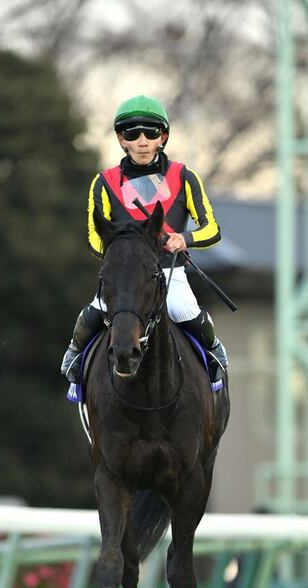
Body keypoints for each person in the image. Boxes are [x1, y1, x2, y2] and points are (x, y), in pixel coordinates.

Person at [60, 94, 228, 384]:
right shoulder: (103, 182)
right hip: (122, 274)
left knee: (184, 310)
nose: (141, 140)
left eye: (150, 132)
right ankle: (74, 357)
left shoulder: (184, 177)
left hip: (168, 272)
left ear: (162, 137)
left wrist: (184, 238)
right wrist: (120, 254)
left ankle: (215, 356)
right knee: (90, 316)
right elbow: (93, 237)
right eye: (131, 133)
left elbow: (212, 229)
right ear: (120, 139)